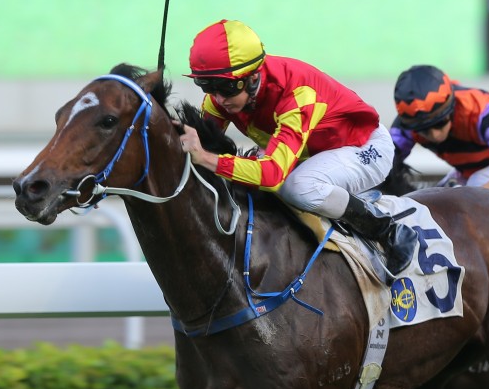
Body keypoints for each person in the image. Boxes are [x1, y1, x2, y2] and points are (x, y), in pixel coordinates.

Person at [177, 19, 417, 274]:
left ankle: (388, 232)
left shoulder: (296, 94)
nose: (219, 99)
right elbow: (198, 142)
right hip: (309, 152)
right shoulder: (222, 98)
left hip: (365, 148)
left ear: (253, 78)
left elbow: (271, 176)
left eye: (226, 88)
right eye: (207, 87)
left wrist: (205, 158)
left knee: (297, 186)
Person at [390, 65, 489, 205]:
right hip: (475, 171)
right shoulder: (407, 124)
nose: (435, 135)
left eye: (439, 123)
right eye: (424, 130)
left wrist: (472, 199)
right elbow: (383, 161)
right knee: (429, 201)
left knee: (472, 193)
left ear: (451, 108)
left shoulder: (482, 111)